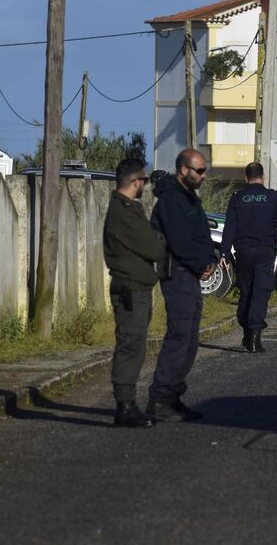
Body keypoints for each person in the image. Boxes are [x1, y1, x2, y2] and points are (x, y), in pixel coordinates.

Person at [148, 148, 217, 422]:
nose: (203, 175)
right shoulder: (170, 200)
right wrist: (201, 264)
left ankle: (173, 396)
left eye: (204, 170)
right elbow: (180, 242)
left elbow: (201, 235)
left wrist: (211, 259)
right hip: (177, 273)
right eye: (199, 170)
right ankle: (159, 399)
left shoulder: (189, 198)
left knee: (189, 338)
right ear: (183, 170)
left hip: (191, 273)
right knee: (179, 335)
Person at [103, 158, 167, 428]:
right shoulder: (124, 212)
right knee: (130, 345)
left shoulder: (129, 208)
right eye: (144, 180)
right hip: (129, 287)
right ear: (135, 181)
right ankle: (125, 405)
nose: (146, 185)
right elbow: (153, 248)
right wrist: (160, 240)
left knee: (135, 344)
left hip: (136, 286)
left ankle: (127, 403)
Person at [219, 162, 277, 353]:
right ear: (263, 177)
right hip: (264, 252)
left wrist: (223, 253)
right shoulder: (273, 198)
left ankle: (247, 332)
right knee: (261, 292)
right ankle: (254, 337)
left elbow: (229, 228)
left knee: (246, 292)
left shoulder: (237, 199)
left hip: (243, 253)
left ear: (246, 178)